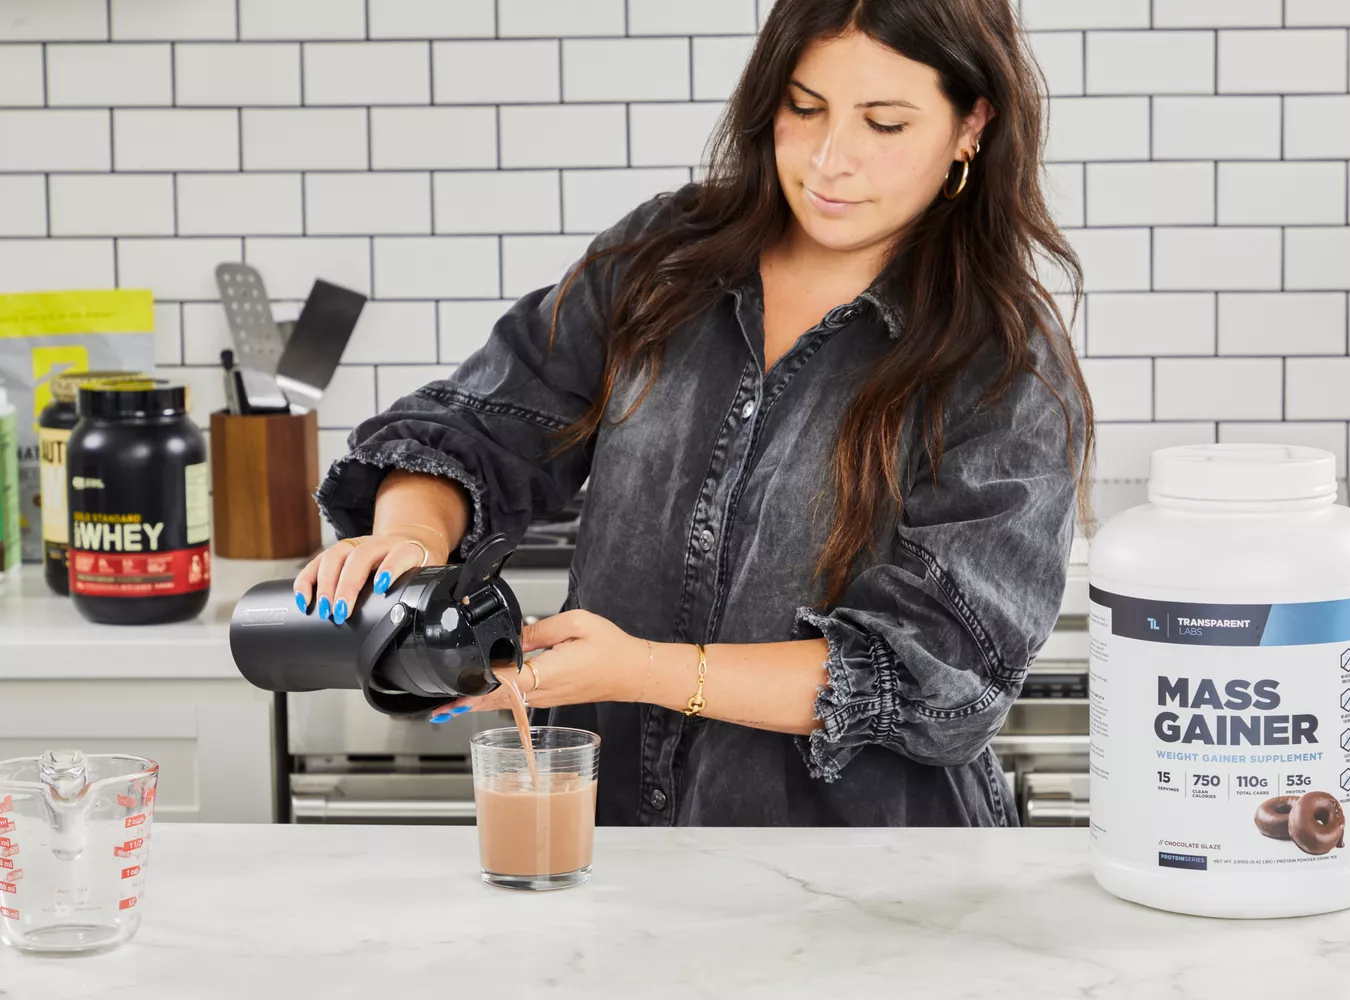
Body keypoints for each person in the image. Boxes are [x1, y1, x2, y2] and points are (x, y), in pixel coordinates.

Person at [297, 0, 1093, 827]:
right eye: (804, 107)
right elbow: (474, 427)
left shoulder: (1002, 360)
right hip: (617, 856)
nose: (828, 161)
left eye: (885, 124)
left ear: (972, 125)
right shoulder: (665, 257)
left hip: (866, 876)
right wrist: (411, 538)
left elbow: (940, 674)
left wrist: (641, 670)